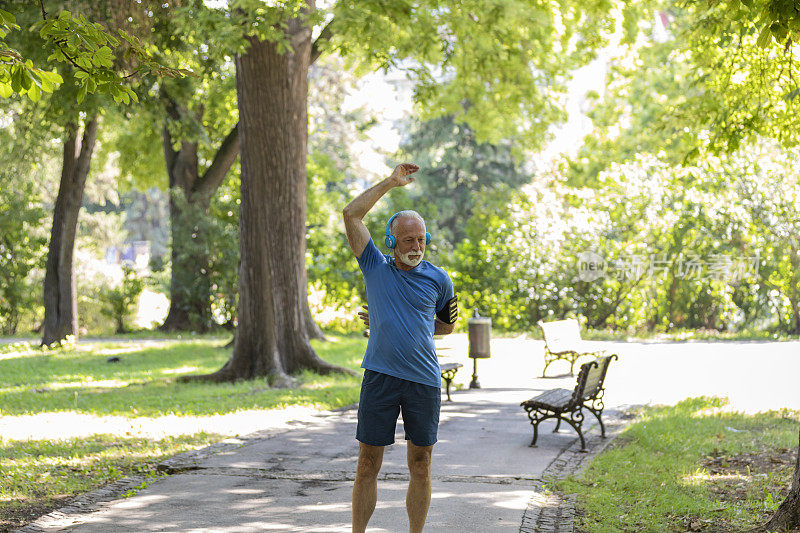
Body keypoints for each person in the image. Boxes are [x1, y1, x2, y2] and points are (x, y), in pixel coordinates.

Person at [342, 163, 458, 533]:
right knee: (366, 463)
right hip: (380, 377)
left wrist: (399, 324)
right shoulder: (375, 265)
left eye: (421, 239)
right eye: (408, 240)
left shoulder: (440, 279)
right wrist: (391, 182)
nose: (416, 246)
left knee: (421, 463)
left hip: (423, 382)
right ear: (392, 242)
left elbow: (445, 327)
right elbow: (351, 214)